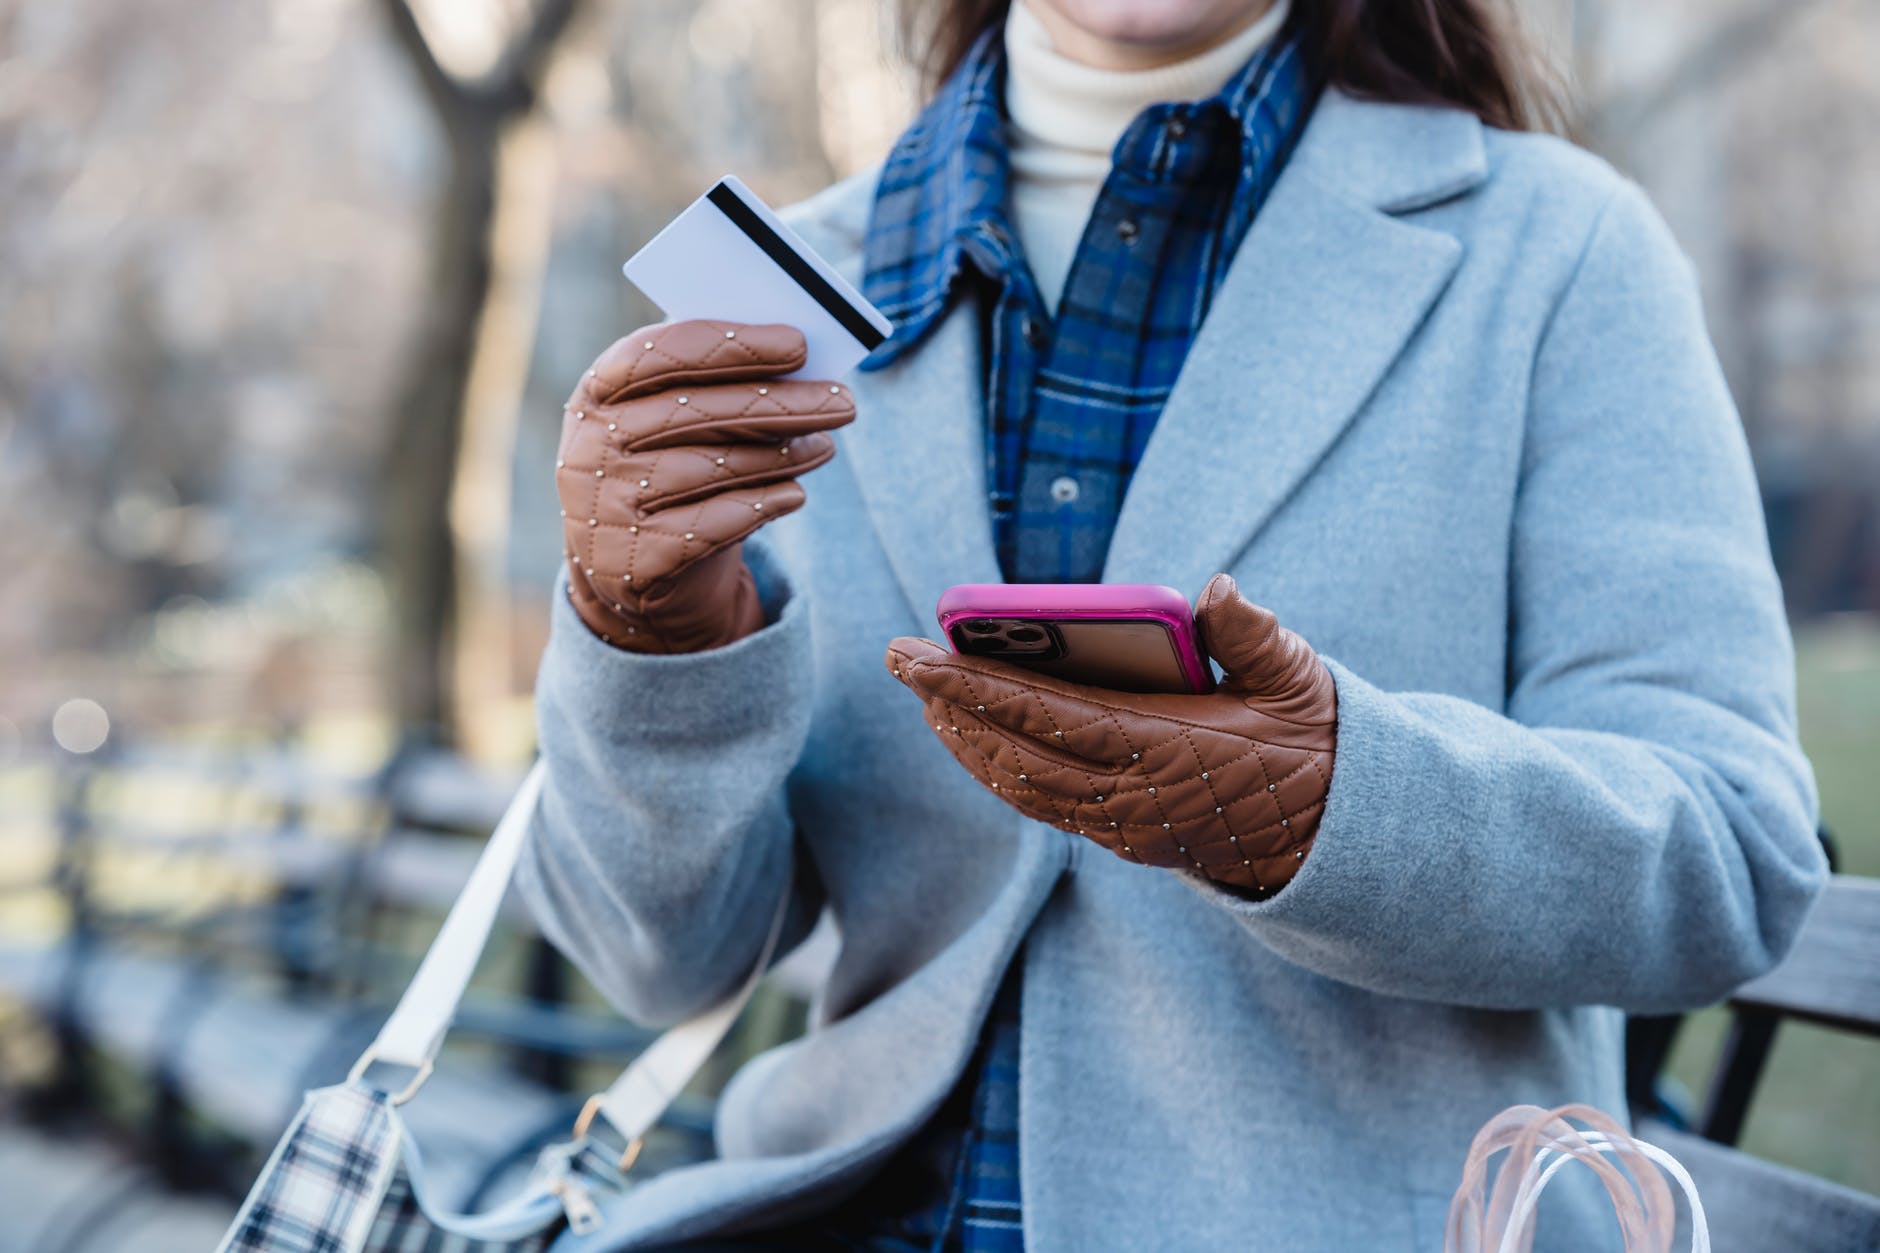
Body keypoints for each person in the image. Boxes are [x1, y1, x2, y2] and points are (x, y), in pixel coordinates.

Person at [519, 0, 1827, 1248]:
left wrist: (1333, 809)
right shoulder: (792, 296)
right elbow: (658, 961)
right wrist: (654, 640)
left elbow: (1735, 851)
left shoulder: (1561, 254)